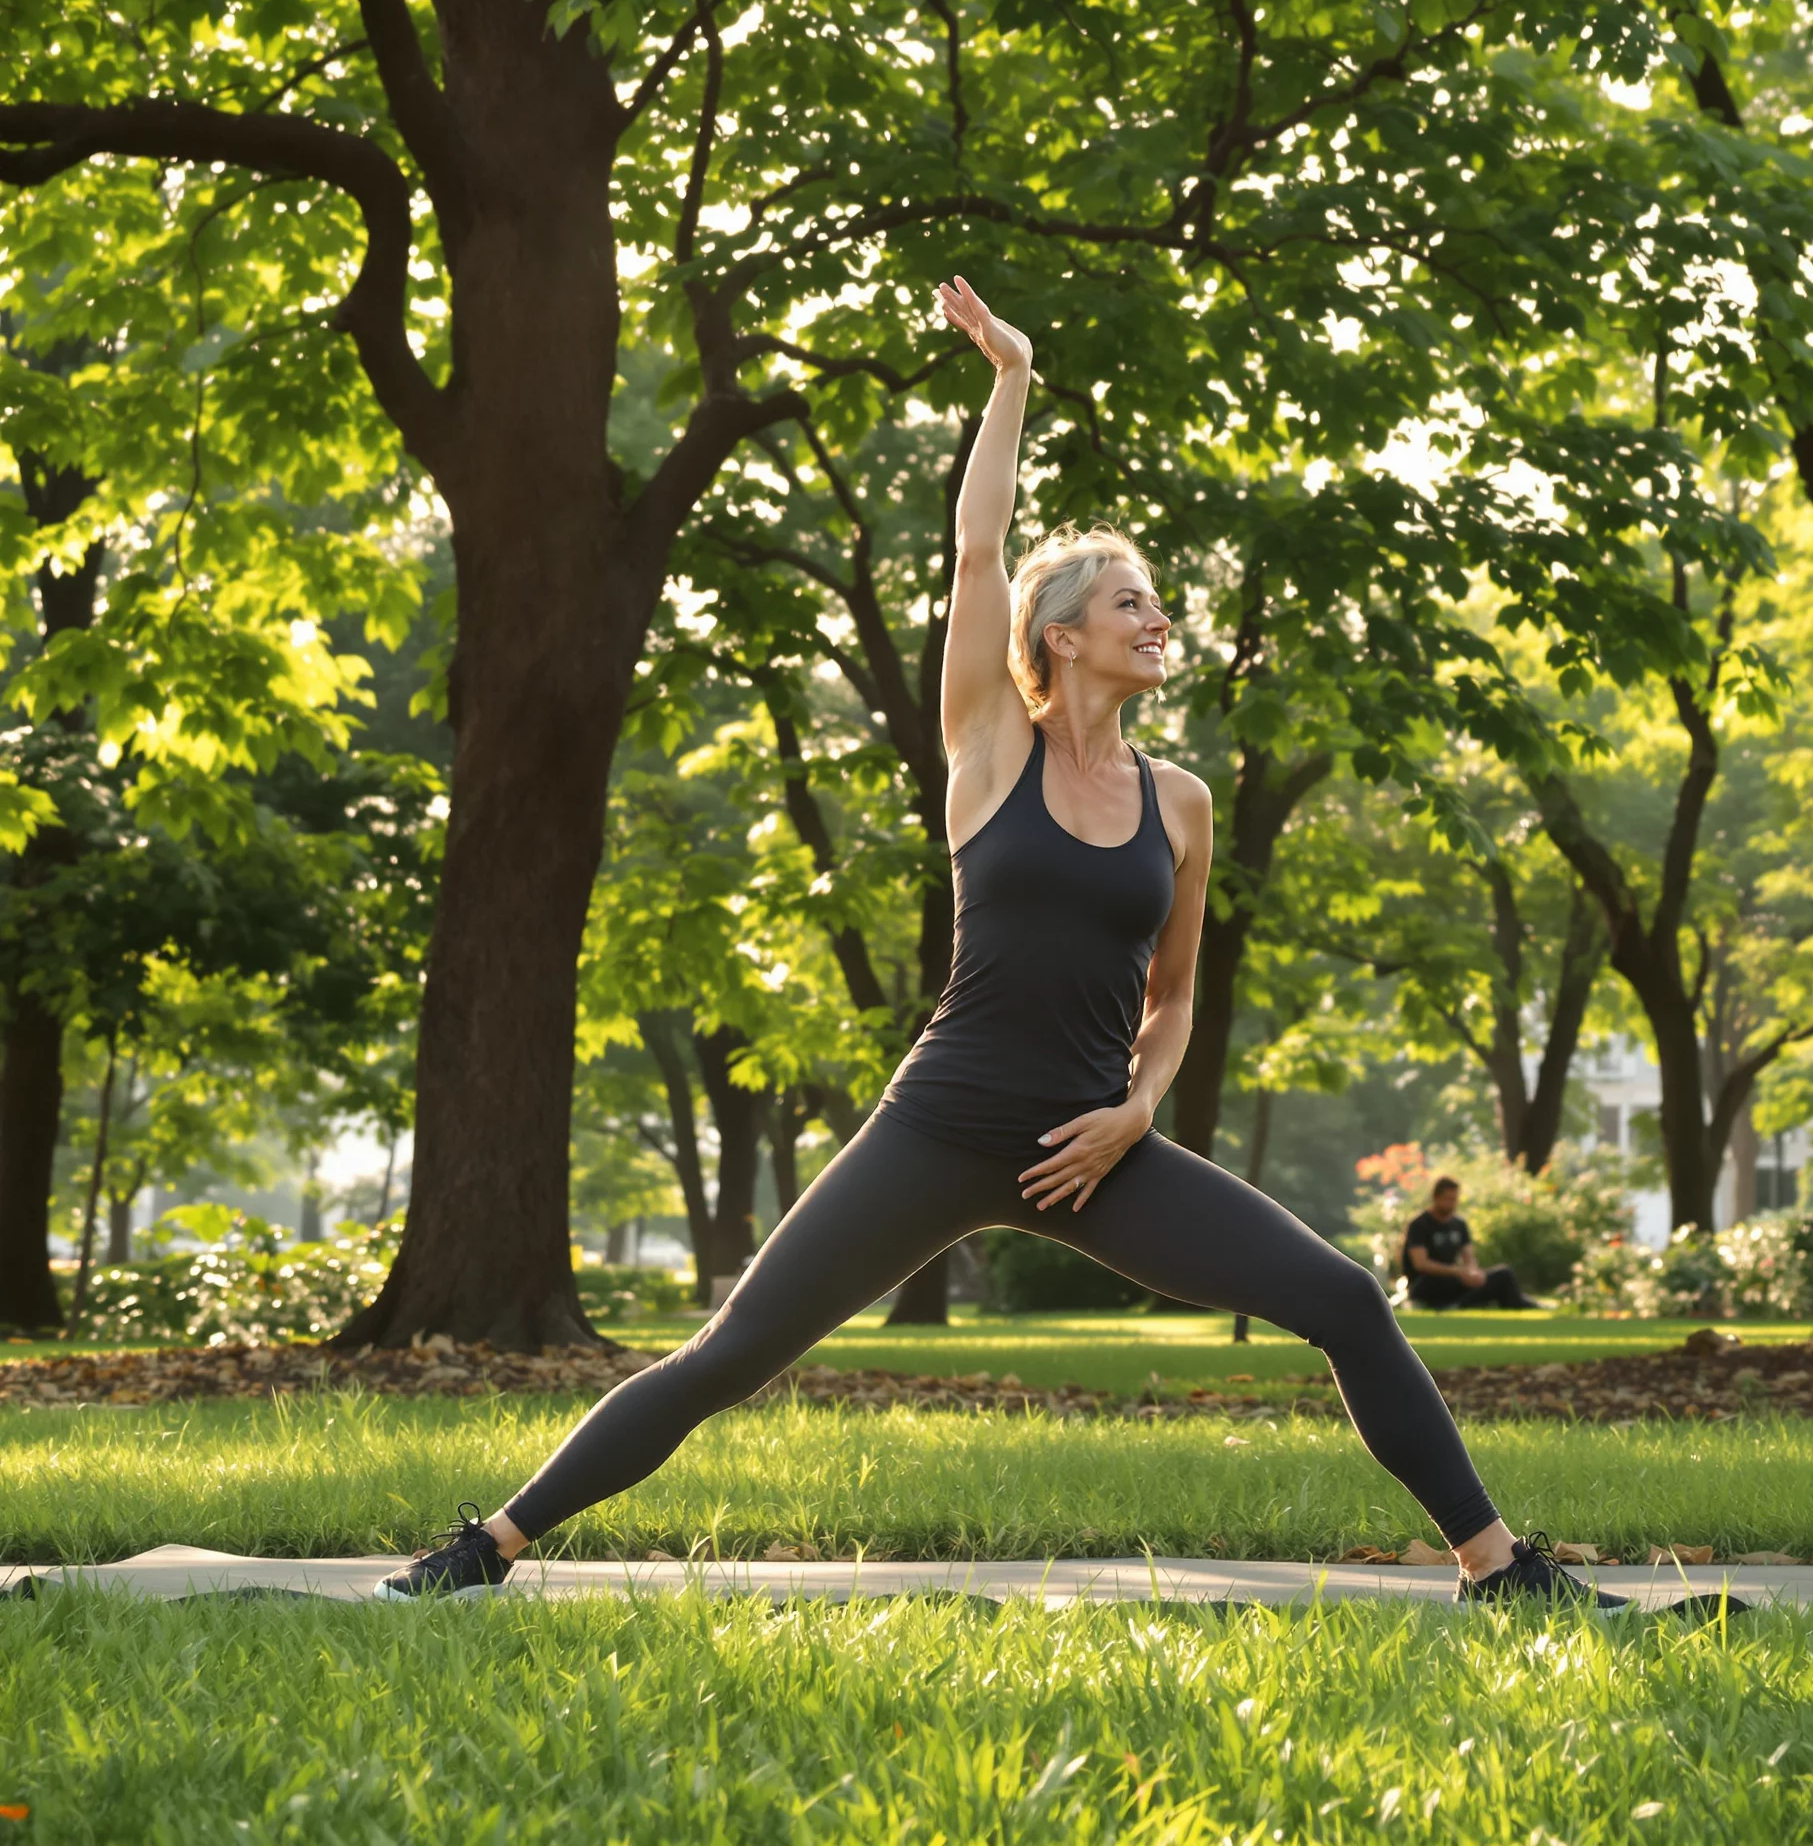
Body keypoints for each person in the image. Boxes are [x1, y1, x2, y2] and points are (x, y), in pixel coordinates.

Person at [376, 278, 1620, 1612]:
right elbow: (975, 555)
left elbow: (1177, 999)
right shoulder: (989, 750)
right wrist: (1011, 377)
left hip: (1089, 1150)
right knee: (731, 1356)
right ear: (1061, 635)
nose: (1159, 622)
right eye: (1133, 603)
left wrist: (1135, 1116)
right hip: (942, 1127)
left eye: (1160, 605)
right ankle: (488, 1544)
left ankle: (1501, 1572)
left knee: (1348, 1304)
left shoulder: (1181, 804)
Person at [1403, 1178, 1540, 1311]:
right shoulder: (1419, 1225)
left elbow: (1469, 1257)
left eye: (1455, 1199)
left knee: (1504, 1275)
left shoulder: (1459, 1224)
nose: (1452, 1204)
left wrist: (1473, 1274)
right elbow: (1421, 1264)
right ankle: (1461, 1303)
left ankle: (1462, 1303)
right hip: (1428, 1282)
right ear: (1436, 1197)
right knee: (1440, 1283)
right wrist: (1457, 1271)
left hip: (1456, 1279)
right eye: (1448, 1199)